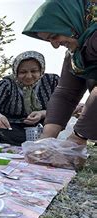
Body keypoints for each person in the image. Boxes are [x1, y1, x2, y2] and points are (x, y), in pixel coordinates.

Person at [22, 0, 97, 144]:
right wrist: (46, 139)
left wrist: (77, 139)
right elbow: (66, 93)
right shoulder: (76, 55)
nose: (55, 45)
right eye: (49, 40)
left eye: (54, 36)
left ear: (70, 22)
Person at [0, 51, 60, 146]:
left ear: (41, 70)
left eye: (34, 71)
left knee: (63, 125)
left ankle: (38, 140)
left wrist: (41, 113)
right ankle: (39, 142)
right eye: (23, 72)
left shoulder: (52, 81)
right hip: (13, 126)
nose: (29, 76)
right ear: (16, 71)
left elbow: (63, 106)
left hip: (45, 125)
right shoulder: (7, 84)